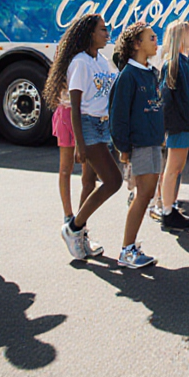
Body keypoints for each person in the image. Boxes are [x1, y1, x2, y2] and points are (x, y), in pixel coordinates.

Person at [53, 14, 123, 261]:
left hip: (103, 126)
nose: (107, 33)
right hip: (88, 125)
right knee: (114, 181)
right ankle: (72, 228)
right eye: (103, 29)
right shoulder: (80, 63)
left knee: (89, 183)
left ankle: (80, 234)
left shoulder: (102, 62)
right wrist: (79, 144)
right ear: (90, 34)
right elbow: (76, 106)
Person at [109, 22, 162, 269]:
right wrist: (124, 148)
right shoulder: (128, 75)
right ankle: (127, 250)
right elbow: (118, 116)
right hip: (140, 143)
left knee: (147, 194)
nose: (156, 41)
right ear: (137, 44)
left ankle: (130, 247)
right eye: (151, 37)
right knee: (143, 195)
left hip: (153, 141)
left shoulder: (151, 72)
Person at [157, 20, 189, 231]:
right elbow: (167, 99)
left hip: (187, 124)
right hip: (179, 124)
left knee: (178, 168)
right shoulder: (173, 64)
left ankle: (171, 206)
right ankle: (167, 211)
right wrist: (176, 122)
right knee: (172, 168)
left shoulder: (186, 62)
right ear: (181, 37)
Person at [53, 86, 97, 233]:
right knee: (65, 169)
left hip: (87, 116)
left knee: (89, 178)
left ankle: (80, 221)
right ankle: (68, 216)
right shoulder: (63, 71)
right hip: (67, 113)